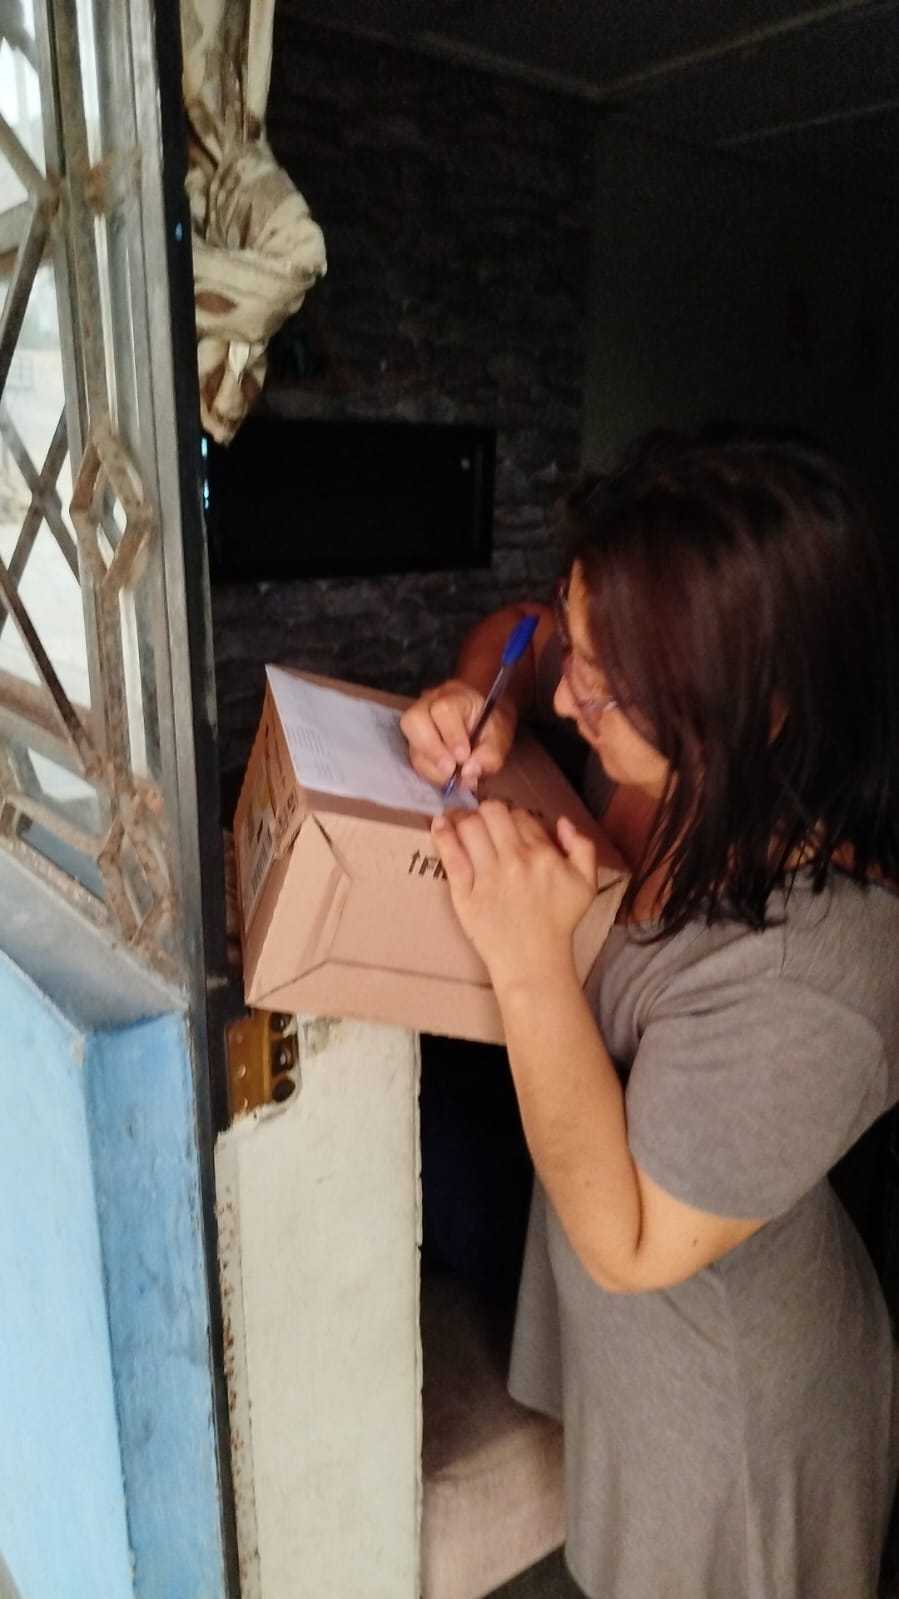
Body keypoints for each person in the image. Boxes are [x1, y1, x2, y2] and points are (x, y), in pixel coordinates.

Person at [400, 429, 899, 1599]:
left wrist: (527, 956)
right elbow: (521, 635)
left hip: (729, 1405)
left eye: (603, 679)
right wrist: (483, 699)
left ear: (750, 705)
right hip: (633, 1345)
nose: (565, 693)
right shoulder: (673, 762)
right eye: (581, 648)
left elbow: (627, 1243)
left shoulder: (815, 973)